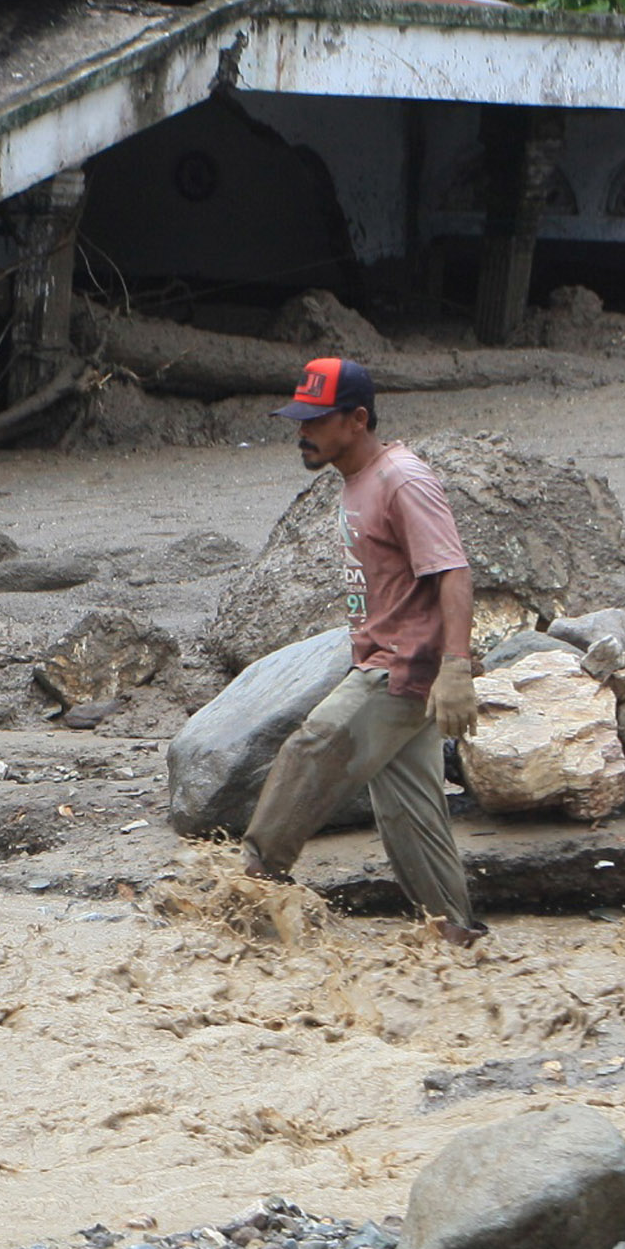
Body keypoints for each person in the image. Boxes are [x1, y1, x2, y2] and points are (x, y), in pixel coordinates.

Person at [239, 356, 488, 943]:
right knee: (409, 813)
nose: (302, 432)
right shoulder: (358, 480)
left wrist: (456, 667)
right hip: (391, 660)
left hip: (401, 666)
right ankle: (454, 935)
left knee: (312, 748)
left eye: (316, 421)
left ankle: (249, 887)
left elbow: (453, 570)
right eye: (299, 420)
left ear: (356, 420)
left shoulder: (402, 479)